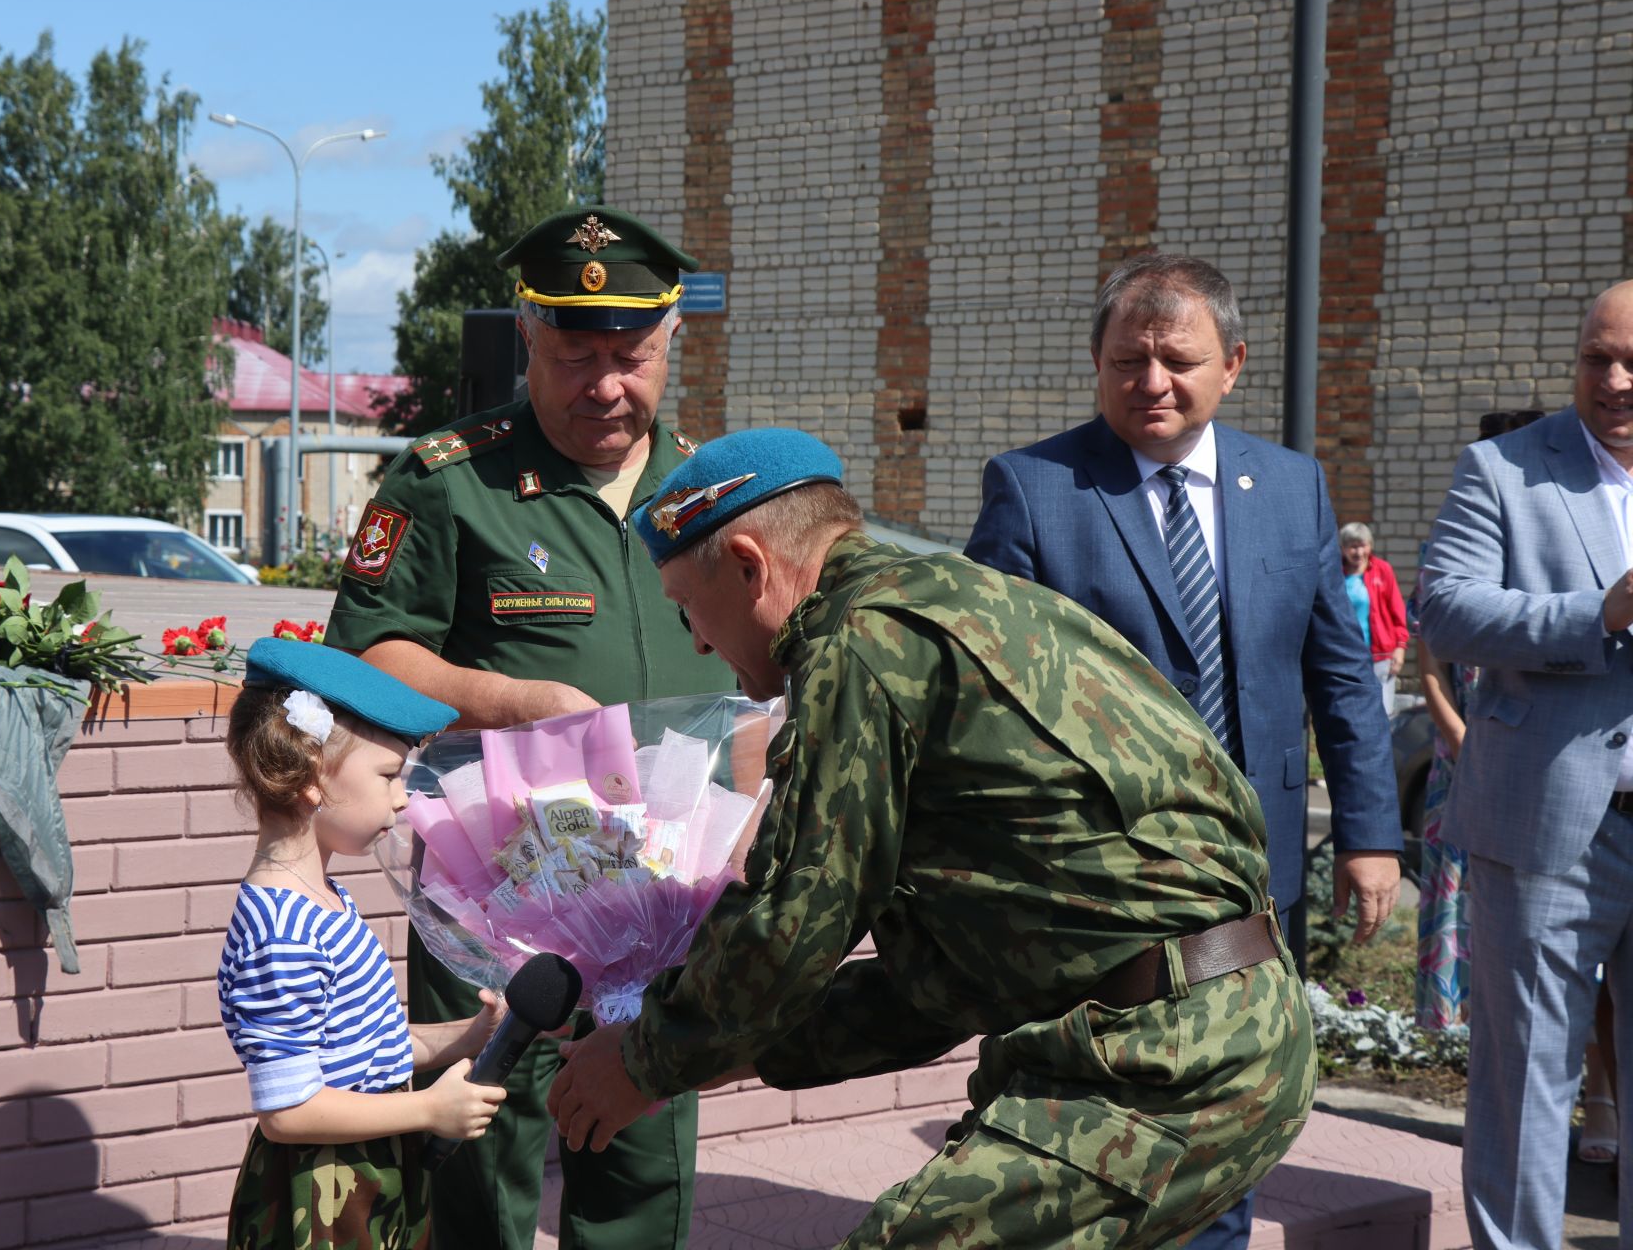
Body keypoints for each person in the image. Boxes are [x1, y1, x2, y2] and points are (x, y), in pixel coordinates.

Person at [547, 428, 1317, 1248]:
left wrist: (645, 1061)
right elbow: (933, 991)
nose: (697, 641)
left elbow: (791, 927)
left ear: (749, 566)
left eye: (686, 609)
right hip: (1219, 1033)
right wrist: (721, 1052)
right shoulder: (964, 601)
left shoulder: (861, 647)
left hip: (1158, 1061)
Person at [963, 252, 1402, 1250]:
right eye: (1128, 360)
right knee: (1104, 1111)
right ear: (1096, 361)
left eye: (1176, 359)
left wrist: (1373, 831)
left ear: (1233, 364)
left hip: (1257, 871)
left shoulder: (1292, 486)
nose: (1151, 381)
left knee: (1233, 1103)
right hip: (1103, 878)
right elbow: (986, 696)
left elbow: (1339, 675)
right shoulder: (1036, 489)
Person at [324, 205, 734, 1249]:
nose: (606, 383)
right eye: (576, 353)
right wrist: (519, 705)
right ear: (527, 334)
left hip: (662, 899)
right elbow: (370, 658)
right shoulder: (452, 479)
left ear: (672, 338)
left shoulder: (714, 493)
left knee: (641, 1166)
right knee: (479, 1172)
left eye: (631, 355)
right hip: (494, 898)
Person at [1419, 280, 1633, 1243]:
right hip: (1552, 827)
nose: (1615, 379)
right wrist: (1601, 614)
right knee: (1528, 1086)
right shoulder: (1505, 468)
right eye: (1598, 358)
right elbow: (1449, 610)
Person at [217, 637, 508, 1250]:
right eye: (388, 775)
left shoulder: (324, 898)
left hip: (365, 1171)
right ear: (310, 778)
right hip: (322, 1198)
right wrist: (428, 1110)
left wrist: (469, 1035)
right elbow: (289, 1112)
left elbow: (360, 1050)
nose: (403, 797)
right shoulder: (282, 931)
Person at [1411, 409, 1544, 1034]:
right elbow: (1429, 662)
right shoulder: (1449, 547)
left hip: (1537, 756)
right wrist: (1461, 737)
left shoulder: (1551, 544)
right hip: (1460, 752)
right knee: (1456, 896)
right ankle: (1457, 1029)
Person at [1339, 522, 1408, 715]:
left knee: (1382, 712)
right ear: (1343, 548)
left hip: (1380, 655)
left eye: (1363, 545)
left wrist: (1400, 648)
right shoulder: (1335, 574)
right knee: (1352, 712)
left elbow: (1397, 611)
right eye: (1353, 546)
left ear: (1370, 545)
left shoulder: (1382, 570)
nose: (1359, 552)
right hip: (1346, 655)